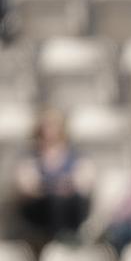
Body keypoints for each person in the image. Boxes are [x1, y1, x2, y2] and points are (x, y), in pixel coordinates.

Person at [12, 108, 94, 253]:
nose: (50, 130)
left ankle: (67, 239)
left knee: (71, 200)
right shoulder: (31, 156)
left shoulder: (75, 156)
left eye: (54, 124)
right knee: (54, 200)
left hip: (70, 208)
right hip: (41, 209)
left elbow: (84, 183)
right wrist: (56, 186)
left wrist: (61, 186)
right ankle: (58, 240)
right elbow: (27, 186)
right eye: (46, 125)